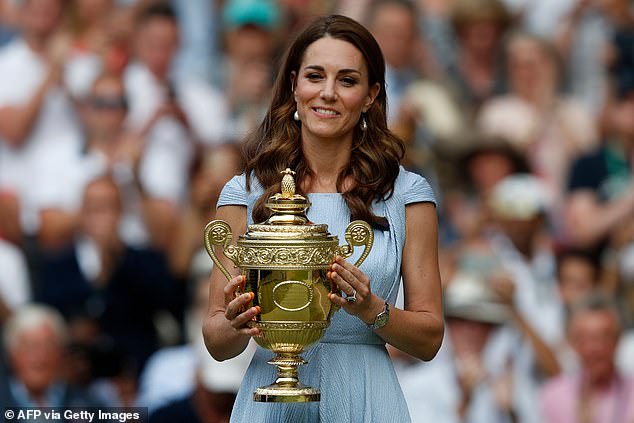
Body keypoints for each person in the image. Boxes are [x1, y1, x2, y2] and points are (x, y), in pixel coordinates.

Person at [202, 14, 444, 422]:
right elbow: (216, 341)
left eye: (347, 80)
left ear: (371, 95)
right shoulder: (244, 192)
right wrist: (236, 321)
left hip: (368, 400)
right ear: (294, 85)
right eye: (315, 76)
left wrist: (372, 309)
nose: (327, 93)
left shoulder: (407, 194)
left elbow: (429, 338)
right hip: (270, 402)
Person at [539, 294, 634, 423]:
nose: (595, 348)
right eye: (586, 338)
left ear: (618, 339)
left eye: (603, 337)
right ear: (573, 343)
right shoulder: (554, 395)